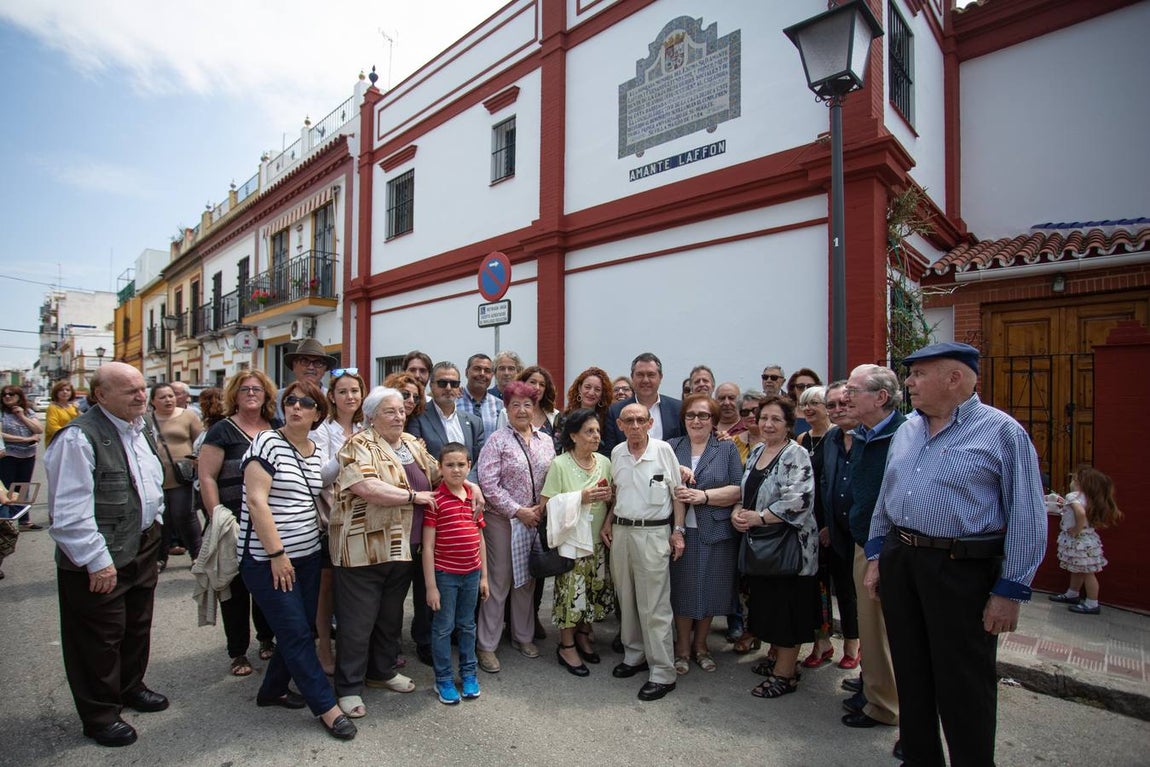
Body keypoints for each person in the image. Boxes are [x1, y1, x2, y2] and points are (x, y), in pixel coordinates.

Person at [864, 342, 1047, 766]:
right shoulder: (907, 429)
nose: (908, 383)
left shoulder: (1001, 432)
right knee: (912, 673)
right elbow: (885, 497)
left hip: (961, 569)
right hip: (903, 559)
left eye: (918, 374)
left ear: (955, 378)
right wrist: (877, 557)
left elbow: (1028, 515)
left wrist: (1010, 590)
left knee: (964, 682)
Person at [46, 362, 168, 748]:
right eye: (130, 390)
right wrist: (96, 560)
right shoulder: (78, 438)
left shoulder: (140, 426)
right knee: (98, 637)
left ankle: (130, 688)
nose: (140, 395)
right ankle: (99, 714)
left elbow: (148, 480)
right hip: (101, 553)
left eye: (142, 388)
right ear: (100, 395)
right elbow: (68, 512)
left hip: (142, 543)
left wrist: (157, 522)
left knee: (136, 626)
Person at [239, 379, 354, 741]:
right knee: (296, 633)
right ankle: (326, 707)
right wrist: (276, 554)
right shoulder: (267, 442)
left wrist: (348, 456)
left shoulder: (316, 450)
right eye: (291, 401)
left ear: (318, 413)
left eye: (306, 403)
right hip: (269, 559)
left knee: (301, 627)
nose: (296, 407)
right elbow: (257, 501)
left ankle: (272, 690)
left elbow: (320, 481)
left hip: (307, 556)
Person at [330, 387, 436, 716]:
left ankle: (382, 671)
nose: (399, 416)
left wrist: (470, 484)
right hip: (362, 548)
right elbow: (364, 486)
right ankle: (348, 686)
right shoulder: (357, 444)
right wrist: (411, 497)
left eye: (401, 411)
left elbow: (439, 474)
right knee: (358, 620)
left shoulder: (412, 445)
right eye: (390, 411)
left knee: (390, 617)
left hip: (404, 546)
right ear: (371, 416)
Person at [730, 395, 818, 699]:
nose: (767, 424)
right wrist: (738, 512)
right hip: (762, 544)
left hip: (789, 546)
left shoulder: (796, 454)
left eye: (775, 419)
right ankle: (778, 660)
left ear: (789, 425)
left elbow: (799, 500)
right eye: (763, 417)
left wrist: (760, 517)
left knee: (787, 609)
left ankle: (786, 674)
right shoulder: (756, 451)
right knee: (769, 604)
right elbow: (747, 491)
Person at [197, 371, 279, 676]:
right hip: (232, 522)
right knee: (234, 589)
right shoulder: (222, 430)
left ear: (266, 394)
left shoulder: (275, 427)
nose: (251, 393)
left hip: (269, 521)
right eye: (245, 389)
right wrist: (217, 515)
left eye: (257, 389)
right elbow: (206, 476)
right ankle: (237, 652)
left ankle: (266, 638)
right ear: (235, 394)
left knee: (267, 585)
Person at [604, 402, 685, 701]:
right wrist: (609, 522)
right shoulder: (617, 453)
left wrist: (678, 532)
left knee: (655, 605)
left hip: (653, 533)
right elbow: (617, 494)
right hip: (622, 532)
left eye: (640, 420)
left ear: (650, 423)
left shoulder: (663, 450)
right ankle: (634, 654)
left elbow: (677, 494)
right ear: (620, 425)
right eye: (629, 420)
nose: (635, 425)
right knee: (627, 599)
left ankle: (663, 672)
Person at [840, 364, 904, 733]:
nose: (846, 396)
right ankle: (875, 689)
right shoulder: (865, 433)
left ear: (881, 397)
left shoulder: (903, 435)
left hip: (886, 547)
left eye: (853, 390)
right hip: (864, 540)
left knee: (882, 628)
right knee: (870, 626)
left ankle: (885, 706)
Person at [475, 380, 555, 672]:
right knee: (500, 581)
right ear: (506, 409)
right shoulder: (497, 440)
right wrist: (518, 510)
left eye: (527, 404)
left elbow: (553, 478)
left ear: (535, 408)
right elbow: (488, 485)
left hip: (535, 519)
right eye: (515, 405)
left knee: (527, 581)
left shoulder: (546, 440)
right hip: (504, 520)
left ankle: (523, 636)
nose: (522, 410)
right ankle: (486, 645)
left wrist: (540, 510)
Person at [667, 394, 743, 675]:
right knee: (683, 590)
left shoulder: (727, 449)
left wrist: (704, 496)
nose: (697, 421)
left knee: (711, 589)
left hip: (716, 531)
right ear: (683, 418)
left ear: (713, 420)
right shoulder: (672, 447)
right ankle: (682, 648)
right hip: (681, 532)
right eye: (691, 415)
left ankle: (701, 646)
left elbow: (738, 488)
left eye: (703, 416)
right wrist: (677, 528)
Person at [540, 408, 615, 677]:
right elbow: (546, 505)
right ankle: (566, 645)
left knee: (594, 592)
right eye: (589, 431)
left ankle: (584, 635)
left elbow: (613, 499)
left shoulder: (604, 462)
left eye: (597, 431)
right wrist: (580, 498)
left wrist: (608, 519)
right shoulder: (560, 464)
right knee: (571, 596)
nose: (596, 436)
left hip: (597, 541)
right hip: (572, 543)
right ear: (573, 435)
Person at [310, 368, 367, 675]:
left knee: (355, 590)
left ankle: (354, 650)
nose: (350, 397)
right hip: (332, 521)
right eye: (343, 391)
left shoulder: (366, 426)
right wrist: (347, 450)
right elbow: (319, 478)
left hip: (364, 519)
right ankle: (323, 648)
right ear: (332, 396)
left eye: (355, 391)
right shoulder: (320, 432)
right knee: (327, 589)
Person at [423, 442, 489, 704]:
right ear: (440, 468)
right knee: (443, 628)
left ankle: (469, 674)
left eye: (461, 464)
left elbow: (480, 538)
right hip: (445, 576)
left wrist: (484, 576)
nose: (456, 469)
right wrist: (431, 586)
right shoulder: (435, 501)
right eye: (449, 465)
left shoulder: (473, 498)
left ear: (469, 466)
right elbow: (427, 546)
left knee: (467, 625)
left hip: (472, 574)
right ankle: (443, 679)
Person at [819, 382, 861, 669]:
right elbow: (824, 484)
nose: (837, 409)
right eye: (831, 405)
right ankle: (846, 643)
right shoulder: (832, 439)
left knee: (861, 596)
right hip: (835, 531)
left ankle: (854, 646)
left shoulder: (871, 437)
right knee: (843, 591)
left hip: (865, 533)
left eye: (843, 403)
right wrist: (825, 526)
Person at [796, 385, 836, 667]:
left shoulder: (837, 437)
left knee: (827, 584)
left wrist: (830, 525)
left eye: (815, 403)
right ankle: (818, 641)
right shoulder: (802, 438)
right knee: (810, 584)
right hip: (805, 521)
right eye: (804, 404)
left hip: (827, 520)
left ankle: (829, 643)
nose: (809, 409)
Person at [1048, 465, 1122, 615]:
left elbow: (1080, 513)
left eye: (1073, 479)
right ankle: (1072, 593)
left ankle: (1092, 603)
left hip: (1079, 540)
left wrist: (1076, 529)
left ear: (1079, 482)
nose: (1071, 482)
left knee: (1088, 573)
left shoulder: (1073, 496)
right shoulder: (1090, 498)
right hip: (1088, 539)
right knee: (1079, 568)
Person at [149, 383, 204, 570]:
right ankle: (160, 557)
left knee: (184, 515)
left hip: (182, 475)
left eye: (171, 396)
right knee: (162, 518)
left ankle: (198, 555)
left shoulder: (188, 416)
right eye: (163, 397)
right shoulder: (147, 419)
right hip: (157, 477)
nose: (168, 400)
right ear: (153, 401)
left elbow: (201, 442)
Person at [409, 362, 485, 469]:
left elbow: (480, 461)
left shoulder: (475, 422)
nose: (448, 388)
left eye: (454, 384)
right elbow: (416, 460)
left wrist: (466, 483)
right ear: (431, 385)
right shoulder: (417, 417)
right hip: (433, 484)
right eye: (442, 383)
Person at [602, 352, 683, 454]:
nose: (645, 380)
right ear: (632, 377)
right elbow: (610, 451)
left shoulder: (677, 409)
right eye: (640, 375)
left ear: (660, 377)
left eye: (651, 375)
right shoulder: (615, 411)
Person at [1, 385, 44, 529]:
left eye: (11, 394)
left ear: (19, 396)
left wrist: (21, 416)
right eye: (4, 395)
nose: (7, 396)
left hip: (27, 456)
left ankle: (24, 520)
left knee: (22, 487)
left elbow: (38, 429)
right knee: (6, 489)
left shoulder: (28, 412)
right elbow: (1, 435)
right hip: (8, 456)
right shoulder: (2, 413)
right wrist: (24, 440)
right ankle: (5, 521)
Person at [276, 338, 337, 421]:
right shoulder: (276, 399)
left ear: (324, 369)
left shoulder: (334, 400)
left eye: (317, 363)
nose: (311, 367)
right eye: (304, 361)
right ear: (294, 366)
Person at [457, 354, 505, 437]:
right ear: (466, 372)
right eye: (477, 369)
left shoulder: (500, 405)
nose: (482, 374)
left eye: (487, 371)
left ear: (492, 375)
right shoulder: (454, 402)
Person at [732, 389, 766, 466]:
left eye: (756, 410)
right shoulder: (732, 443)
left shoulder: (777, 441)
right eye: (745, 412)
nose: (751, 415)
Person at [787, 368, 823, 436]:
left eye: (810, 386)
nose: (805, 390)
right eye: (800, 386)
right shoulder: (786, 414)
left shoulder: (824, 414)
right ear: (793, 389)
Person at [45, 379, 81, 445]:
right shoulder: (53, 408)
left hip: (73, 443)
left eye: (68, 390)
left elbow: (80, 423)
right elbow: (52, 428)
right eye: (61, 390)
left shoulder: (74, 407)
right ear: (56, 392)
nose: (65, 392)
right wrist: (70, 435)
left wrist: (78, 410)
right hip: (58, 443)